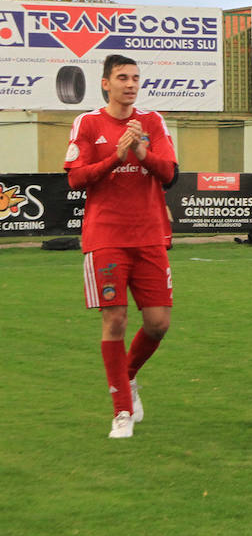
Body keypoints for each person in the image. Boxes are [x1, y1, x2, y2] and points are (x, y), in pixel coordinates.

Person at [64, 54, 178, 439]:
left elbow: (169, 174)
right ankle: (121, 412)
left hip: (149, 236)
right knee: (115, 320)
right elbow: (76, 179)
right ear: (105, 84)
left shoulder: (153, 122)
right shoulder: (88, 123)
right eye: (122, 78)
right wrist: (116, 156)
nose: (130, 84)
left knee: (158, 324)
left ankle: (126, 377)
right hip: (106, 237)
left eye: (135, 78)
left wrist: (143, 154)